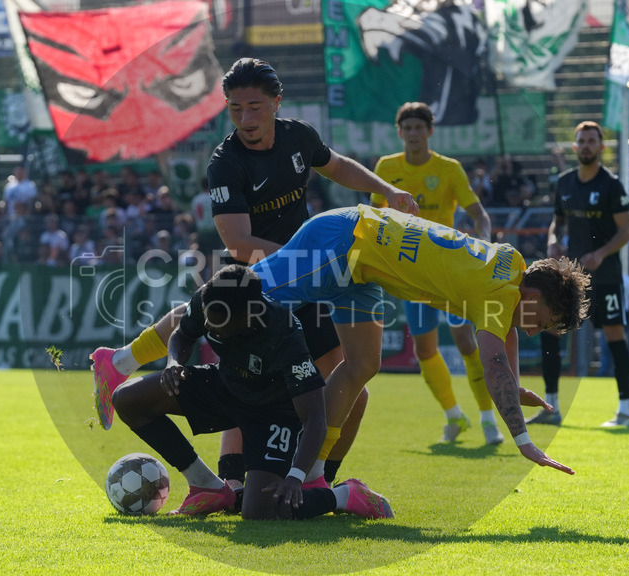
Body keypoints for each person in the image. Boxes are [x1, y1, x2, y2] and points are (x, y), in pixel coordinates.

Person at [89, 58, 418, 490]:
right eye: (235, 108)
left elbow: (335, 165)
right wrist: (309, 262)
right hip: (259, 286)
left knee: (347, 386)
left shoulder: (299, 137)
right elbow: (238, 241)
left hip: (304, 279)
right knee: (251, 378)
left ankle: (314, 480)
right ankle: (244, 483)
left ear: (277, 103)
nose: (245, 118)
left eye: (255, 107)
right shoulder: (226, 163)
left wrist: (387, 190)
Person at [241, 204, 587, 483]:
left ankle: (314, 473)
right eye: (540, 322)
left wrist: (515, 383)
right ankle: (184, 327)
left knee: (363, 364)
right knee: (239, 302)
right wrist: (524, 441)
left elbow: (507, 332)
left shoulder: (512, 267)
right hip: (346, 239)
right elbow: (493, 363)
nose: (532, 332)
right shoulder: (497, 295)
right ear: (534, 294)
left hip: (364, 267)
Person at [111, 265, 395, 519]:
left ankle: (345, 495)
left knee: (259, 510)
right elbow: (183, 334)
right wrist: (174, 363)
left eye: (218, 323)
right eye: (208, 320)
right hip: (224, 387)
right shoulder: (209, 297)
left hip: (272, 413)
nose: (209, 327)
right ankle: (206, 486)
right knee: (127, 399)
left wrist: (296, 477)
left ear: (250, 314)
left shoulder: (283, 333)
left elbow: (315, 416)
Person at [371, 101, 502, 445]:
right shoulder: (386, 166)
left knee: (464, 341)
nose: (413, 134)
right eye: (407, 128)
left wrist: (484, 240)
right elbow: (372, 218)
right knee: (425, 351)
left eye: (419, 127)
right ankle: (454, 417)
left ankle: (489, 419)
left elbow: (480, 215)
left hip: (447, 269)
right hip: (410, 273)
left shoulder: (449, 169)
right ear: (400, 133)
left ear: (430, 131)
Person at [530, 121, 629, 428]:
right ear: (575, 147)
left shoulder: (612, 185)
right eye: (582, 141)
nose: (587, 145)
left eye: (592, 140)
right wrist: (552, 239)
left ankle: (625, 412)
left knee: (614, 335)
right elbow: (557, 222)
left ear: (601, 147)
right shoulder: (564, 183)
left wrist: (601, 253)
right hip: (569, 277)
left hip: (606, 276)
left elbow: (627, 230)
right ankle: (552, 409)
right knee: (548, 329)